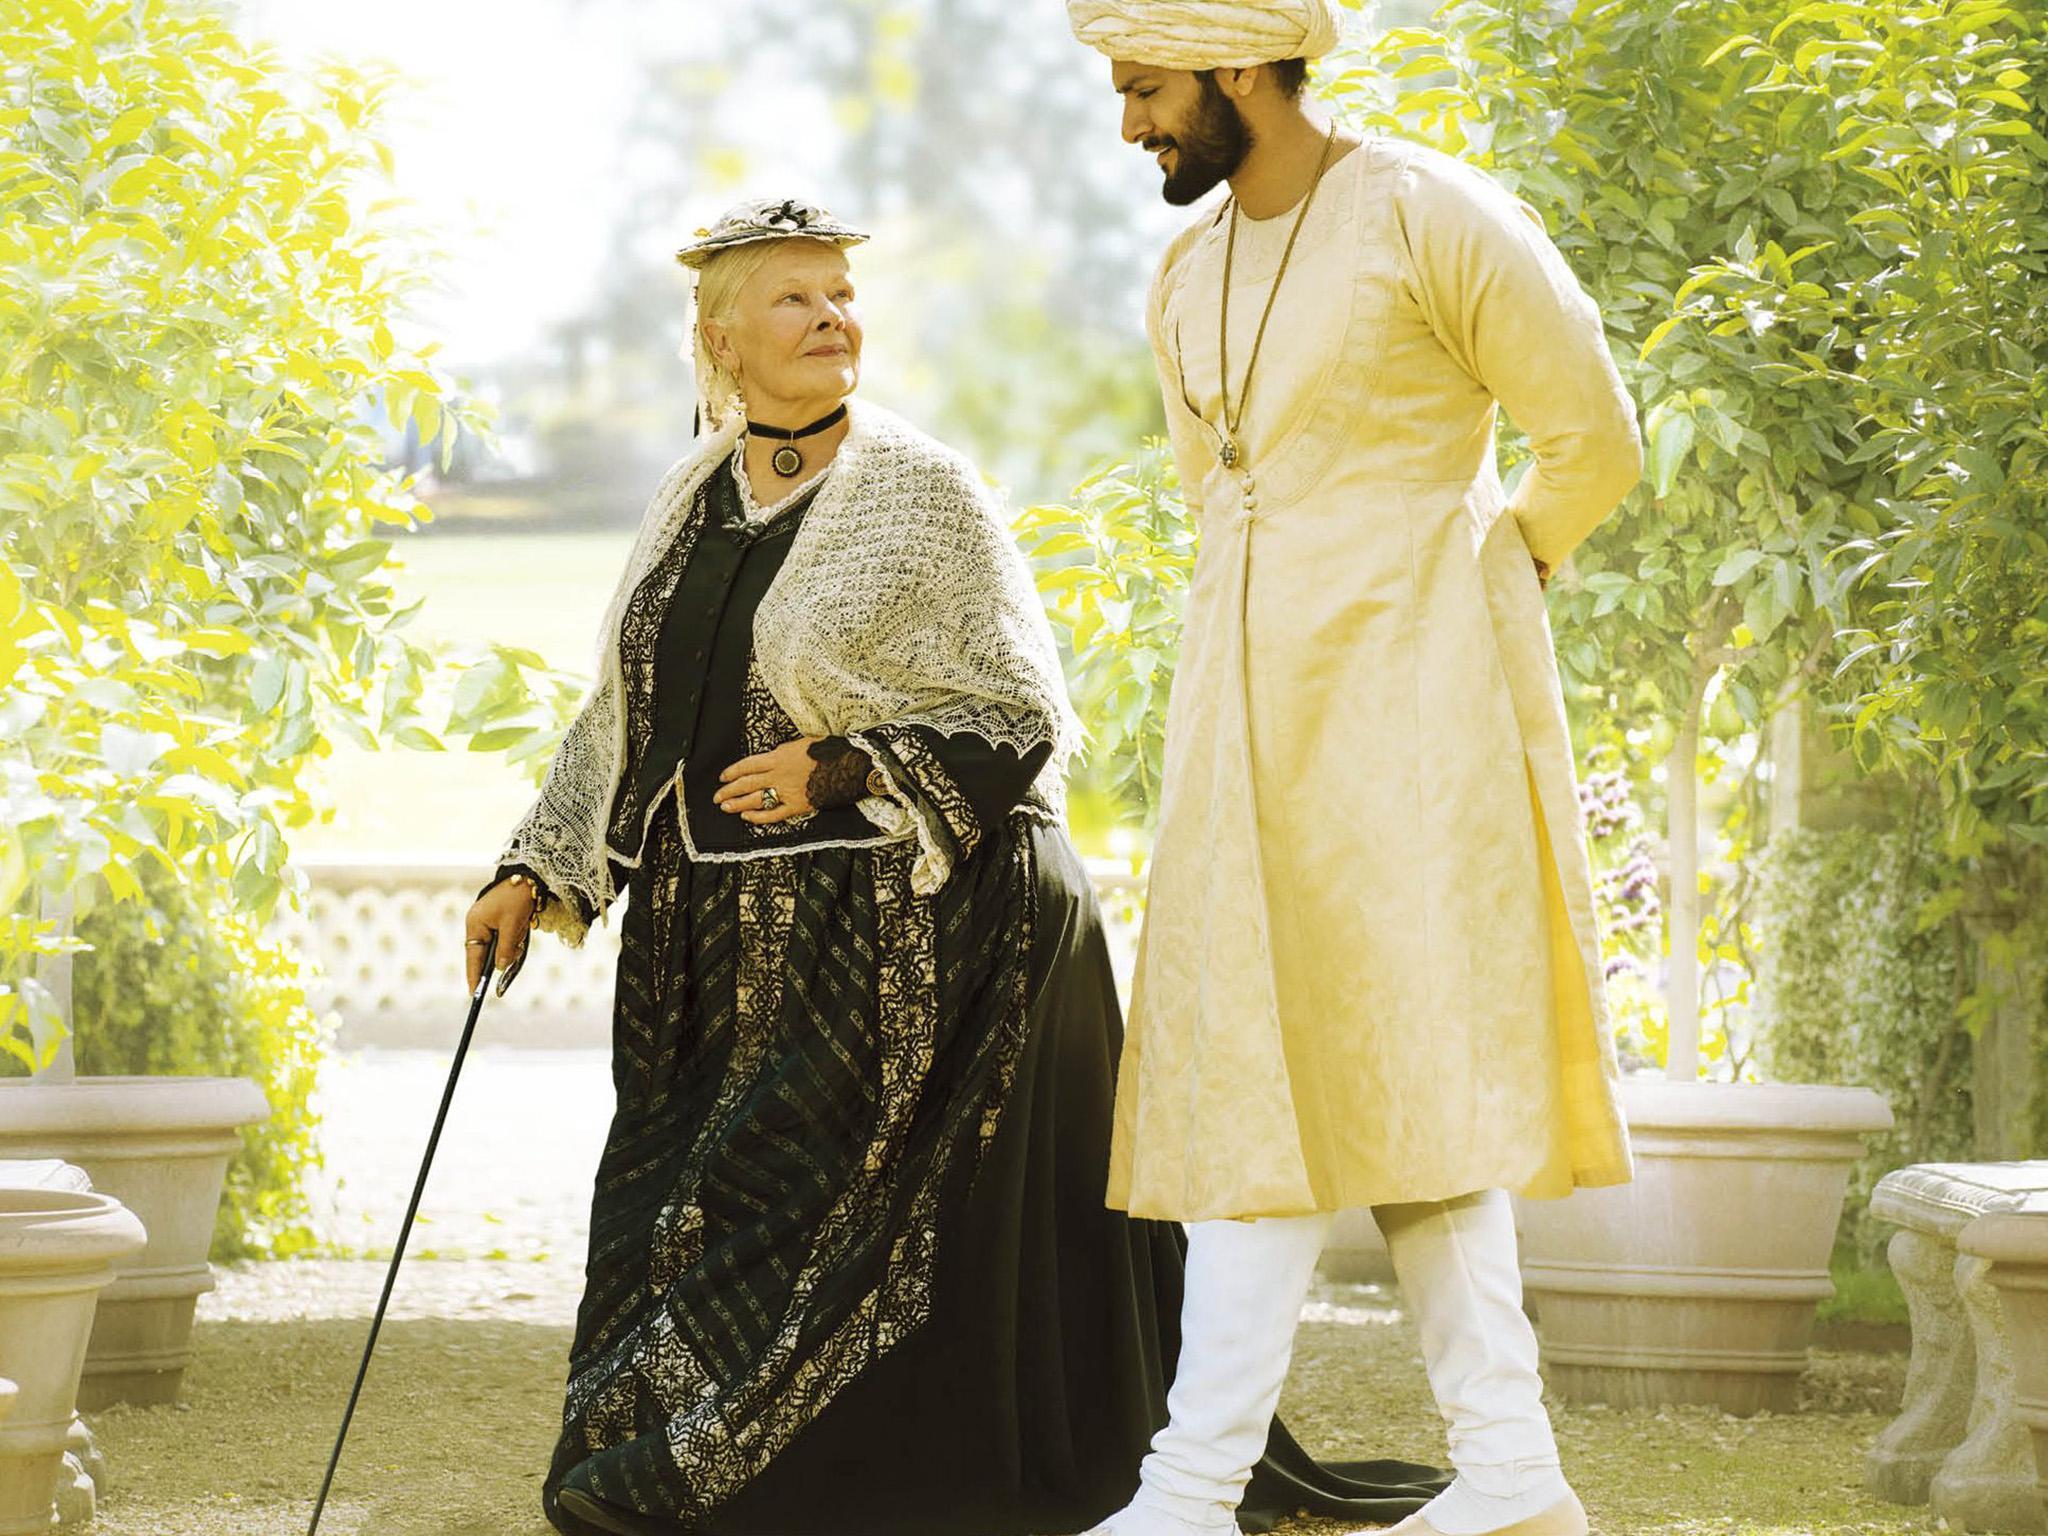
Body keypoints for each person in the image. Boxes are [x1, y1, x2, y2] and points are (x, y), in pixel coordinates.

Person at [463, 195, 1449, 1536]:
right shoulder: (692, 497)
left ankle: (805, 1483)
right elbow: (623, 713)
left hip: (910, 930)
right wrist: (538, 870)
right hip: (708, 945)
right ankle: (681, 1462)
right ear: (719, 337)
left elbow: (1017, 711)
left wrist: (848, 763)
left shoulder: (921, 493)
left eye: (843, 295)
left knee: (842, 1225)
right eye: (795, 299)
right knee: (689, 1203)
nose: (832, 318)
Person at [1064, 4, 1645, 1535]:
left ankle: (1208, 1490)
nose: (1130, 125)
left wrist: (1498, 565)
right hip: (1239, 717)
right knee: (1262, 1067)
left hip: (1414, 706)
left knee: (1414, 1069)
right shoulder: (1186, 269)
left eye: (1146, 90)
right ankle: (1498, 1476)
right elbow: (1221, 500)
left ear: (1242, 68)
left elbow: (1591, 435)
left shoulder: (1429, 214)